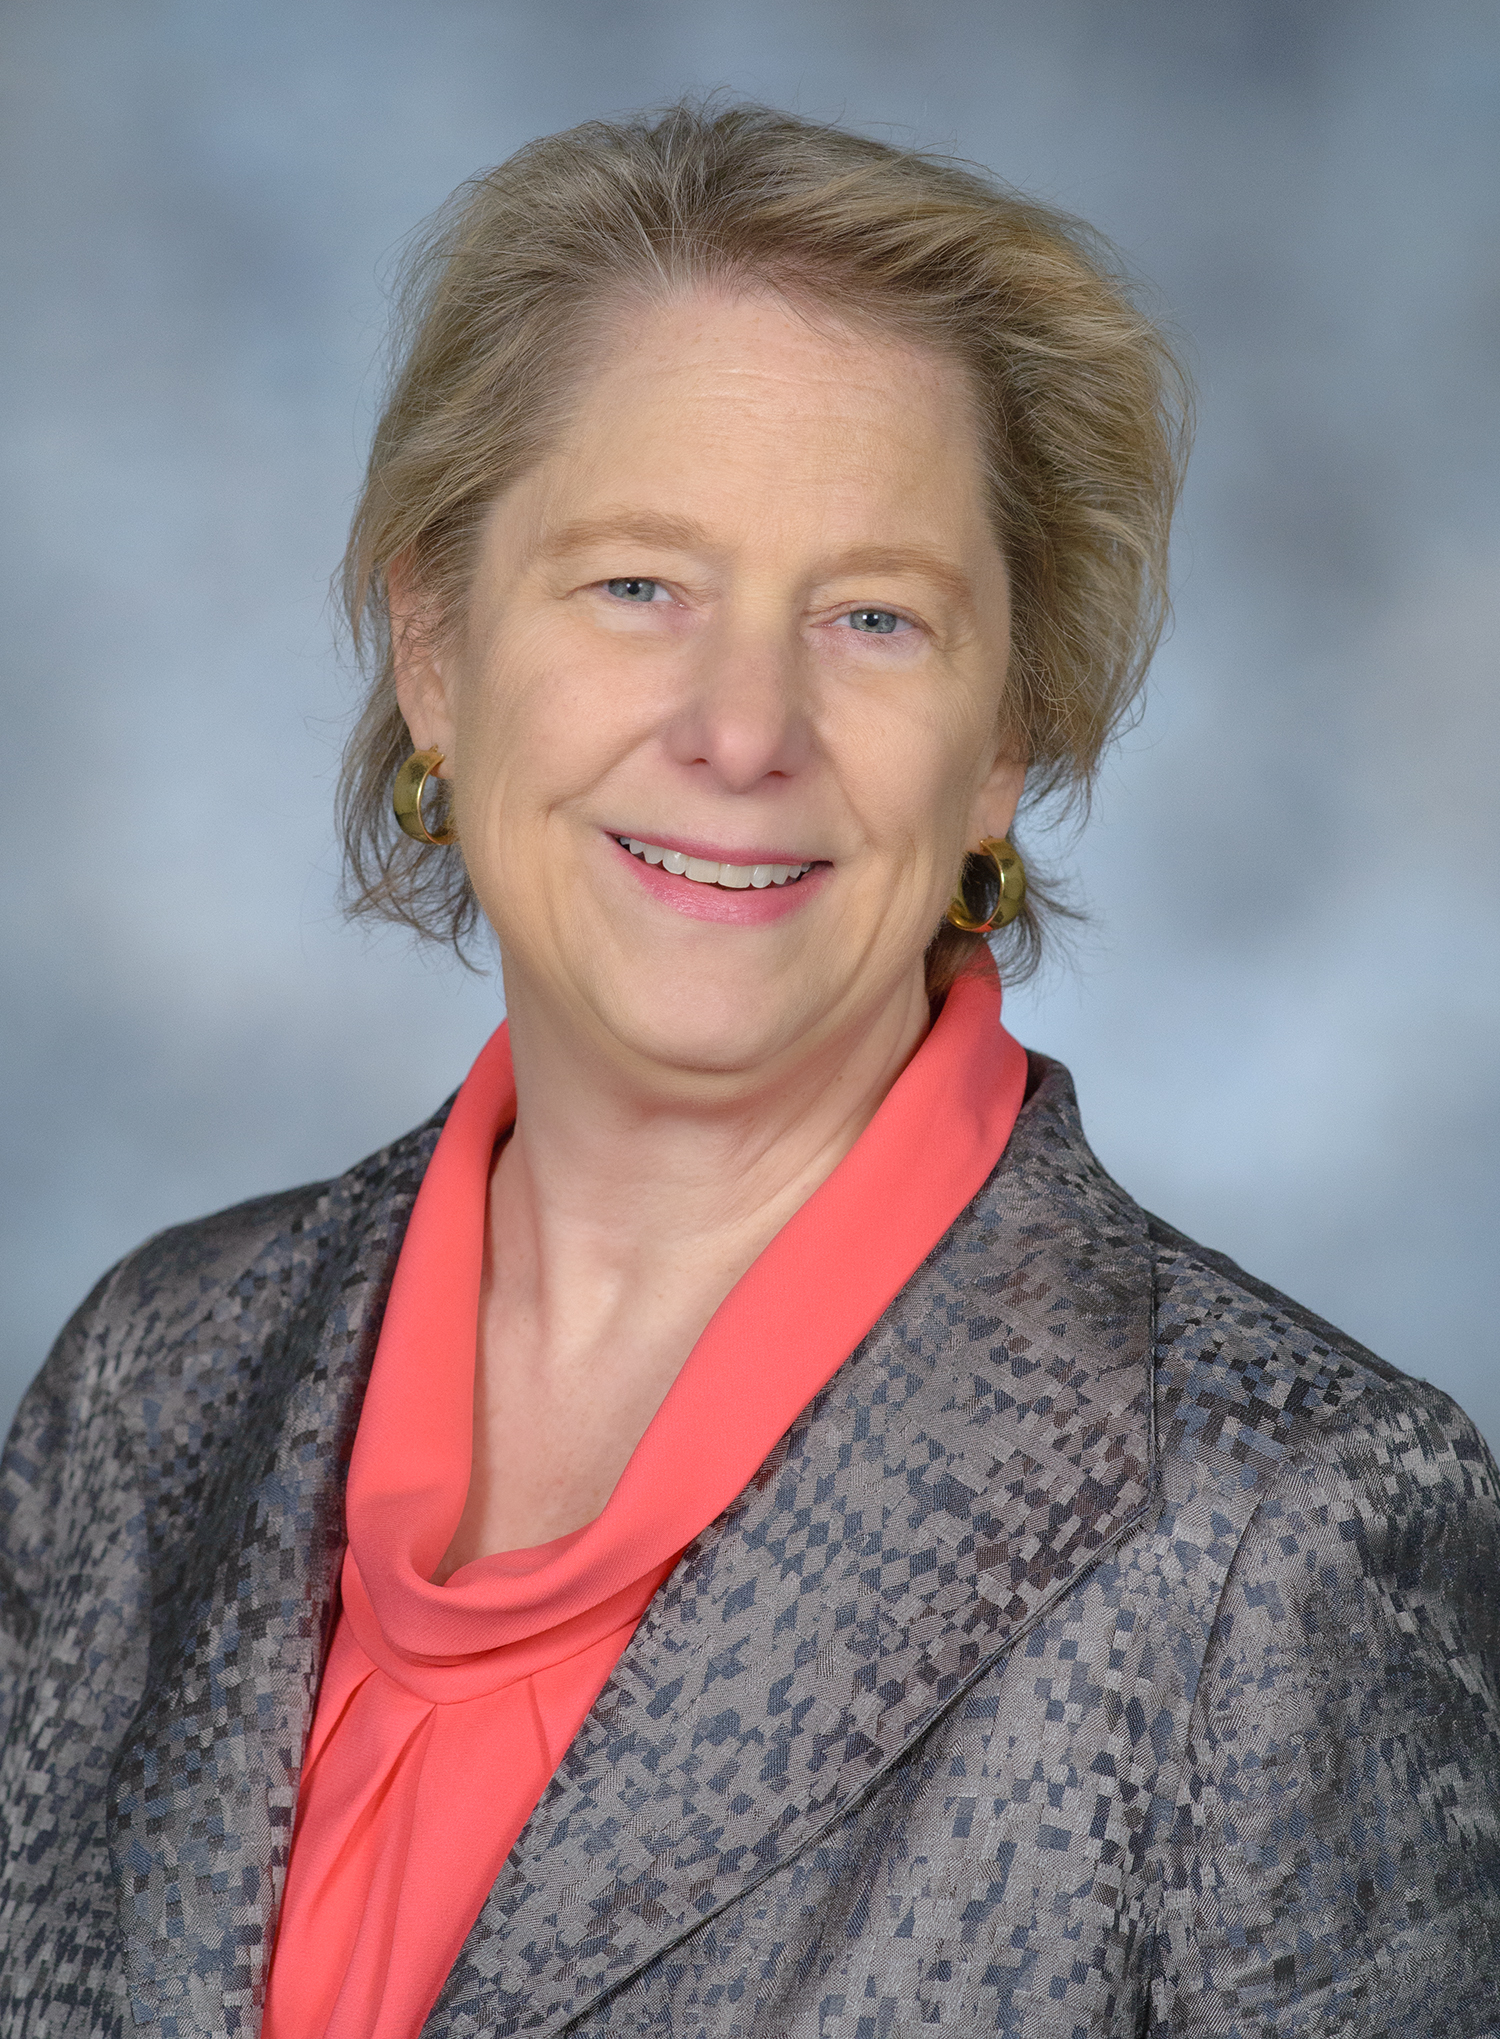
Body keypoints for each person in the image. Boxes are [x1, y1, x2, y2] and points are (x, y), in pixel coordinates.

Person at [0, 101, 1495, 2039]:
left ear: (1000, 744)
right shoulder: (154, 1386)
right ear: (437, 650)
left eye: (875, 618)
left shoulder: (1279, 1534)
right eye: (640, 584)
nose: (742, 728)